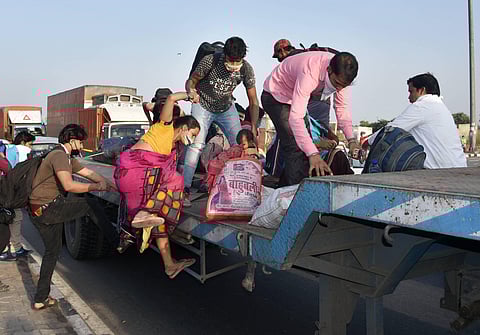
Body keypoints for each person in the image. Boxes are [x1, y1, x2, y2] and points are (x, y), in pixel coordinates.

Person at [29, 124, 120, 310]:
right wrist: (95, 188)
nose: (82, 144)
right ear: (72, 141)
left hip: (39, 209)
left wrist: (112, 186)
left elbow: (90, 174)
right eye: (80, 141)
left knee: (51, 253)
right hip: (48, 207)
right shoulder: (59, 156)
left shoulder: (67, 158)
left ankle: (40, 298)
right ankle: (117, 241)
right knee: (89, 204)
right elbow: (69, 186)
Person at [114, 92, 200, 279]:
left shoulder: (174, 148)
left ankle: (169, 264)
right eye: (192, 134)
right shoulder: (164, 127)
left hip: (142, 179)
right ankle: (141, 220)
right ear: (184, 127)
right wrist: (190, 95)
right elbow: (170, 99)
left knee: (157, 218)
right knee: (176, 180)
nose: (192, 140)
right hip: (134, 172)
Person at [262, 51, 359, 186]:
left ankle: (290, 185)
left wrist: (352, 140)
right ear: (329, 70)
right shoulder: (310, 73)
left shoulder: (341, 77)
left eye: (343, 86)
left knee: (306, 145)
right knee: (295, 145)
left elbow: (341, 108)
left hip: (294, 98)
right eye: (336, 83)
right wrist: (313, 154)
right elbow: (296, 118)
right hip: (276, 96)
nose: (339, 89)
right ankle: (290, 195)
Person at [184, 36, 260, 206]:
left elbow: (253, 100)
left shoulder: (246, 69)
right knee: (196, 144)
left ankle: (239, 189)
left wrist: (253, 126)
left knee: (240, 144)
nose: (233, 66)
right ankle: (185, 190)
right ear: (224, 55)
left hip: (226, 107)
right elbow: (192, 80)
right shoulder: (210, 61)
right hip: (203, 104)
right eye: (230, 61)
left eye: (237, 62)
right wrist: (191, 91)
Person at [366, 73, 467, 169]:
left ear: (422, 90)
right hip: (458, 167)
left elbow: (389, 131)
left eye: (411, 92)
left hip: (439, 172)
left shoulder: (423, 106)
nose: (409, 97)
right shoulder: (440, 107)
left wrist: (366, 142)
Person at [0, 131, 35, 261]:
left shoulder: (9, 149)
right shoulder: (23, 150)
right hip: (11, 190)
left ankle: (14, 247)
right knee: (15, 217)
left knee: (10, 217)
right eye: (30, 144)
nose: (31, 147)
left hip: (5, 188)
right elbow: (17, 171)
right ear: (23, 142)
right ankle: (12, 248)